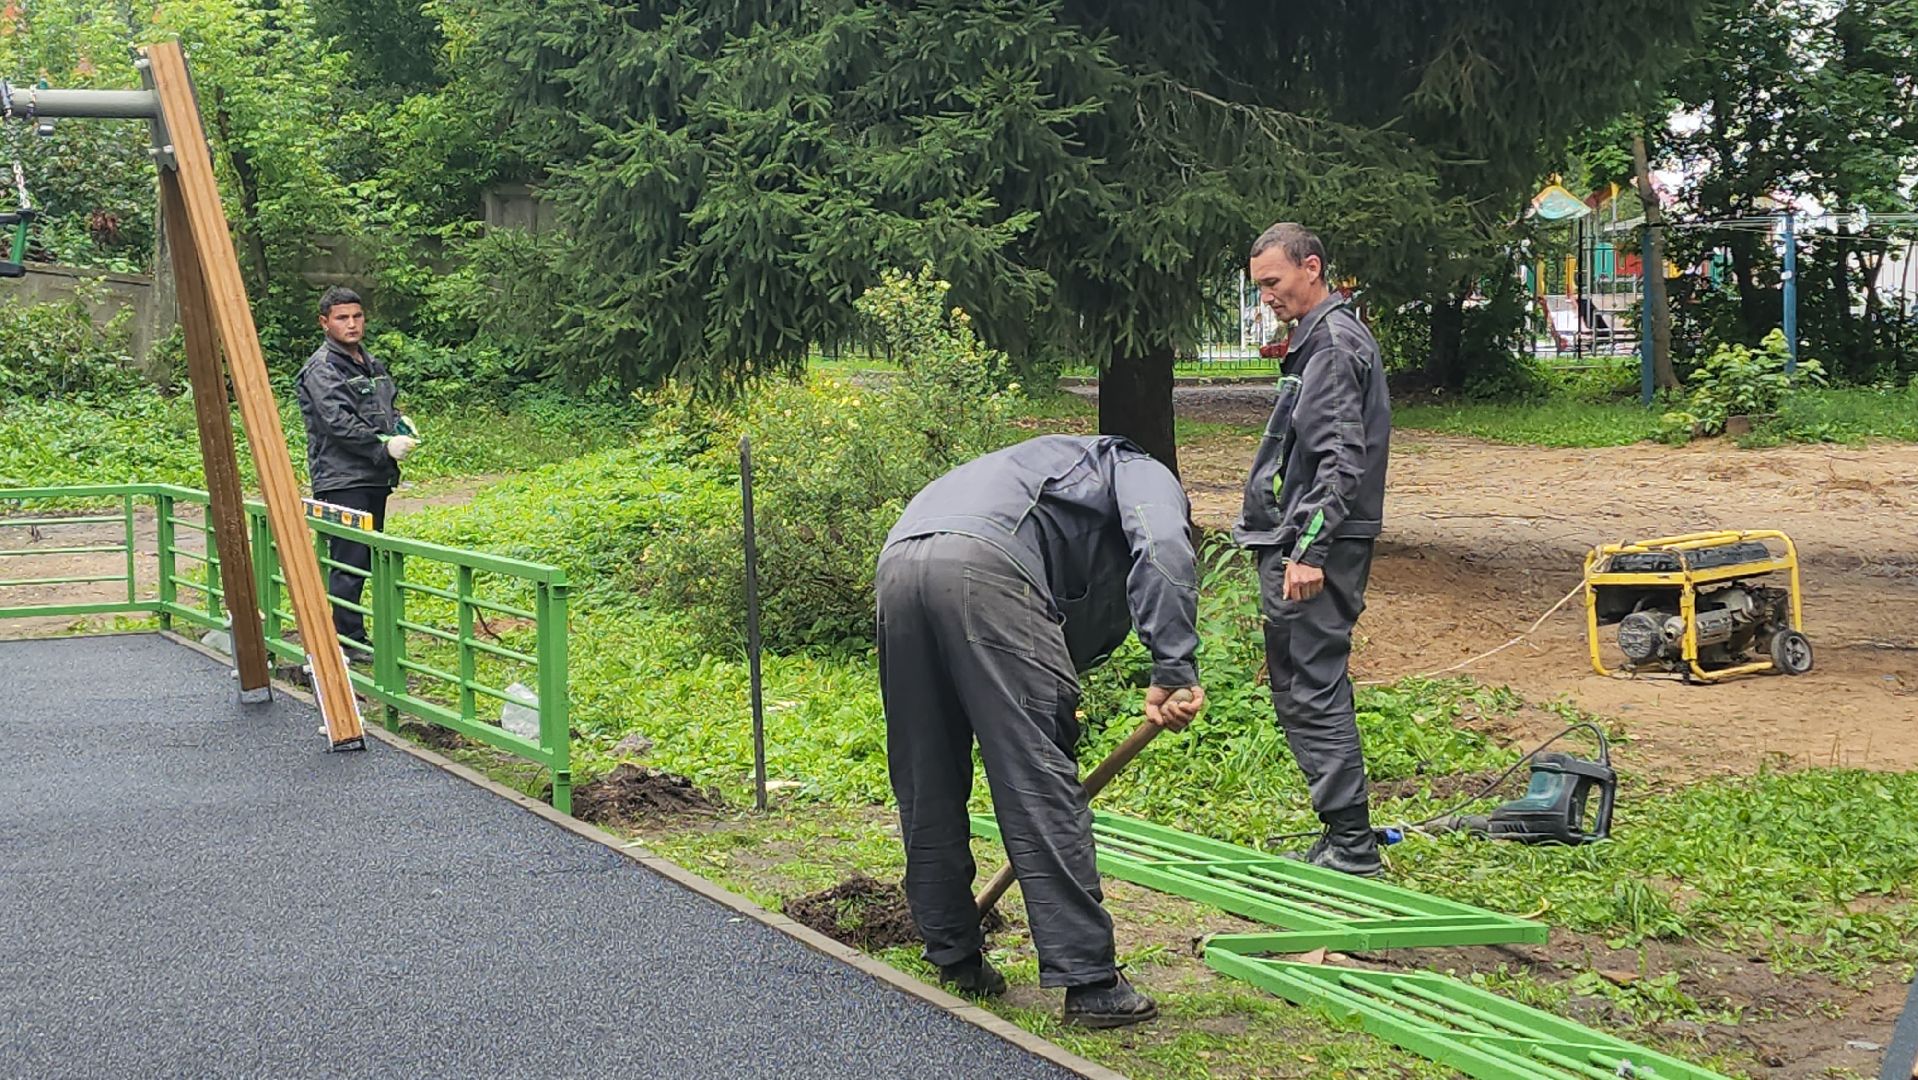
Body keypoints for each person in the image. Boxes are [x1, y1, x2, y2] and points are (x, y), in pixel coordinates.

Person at [877, 434, 1206, 1028]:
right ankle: (1089, 983)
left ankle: (955, 956)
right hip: (988, 567)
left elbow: (1070, 614)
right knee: (1038, 780)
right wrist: (1174, 667)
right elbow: (1161, 549)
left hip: (900, 560)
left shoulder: (1042, 469)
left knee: (925, 773)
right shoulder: (1141, 469)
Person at [1236, 222, 1391, 876]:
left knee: (1310, 685)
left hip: (1316, 549)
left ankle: (1352, 849)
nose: (1265, 297)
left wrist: (1308, 551)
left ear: (1311, 268)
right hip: (1309, 540)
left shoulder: (1329, 343)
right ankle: (1342, 835)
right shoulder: (1322, 339)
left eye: (1272, 282)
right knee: (1307, 682)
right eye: (1259, 286)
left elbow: (1339, 461)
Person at [294, 287, 417, 654]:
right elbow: (337, 422)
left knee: (366, 559)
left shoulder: (370, 362)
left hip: (374, 476)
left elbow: (383, 406)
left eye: (357, 316)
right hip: (342, 477)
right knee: (348, 561)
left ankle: (355, 636)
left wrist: (399, 426)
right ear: (324, 323)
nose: (352, 324)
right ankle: (346, 641)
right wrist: (382, 447)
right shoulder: (322, 368)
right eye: (342, 318)